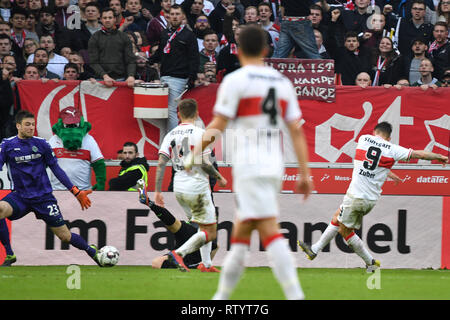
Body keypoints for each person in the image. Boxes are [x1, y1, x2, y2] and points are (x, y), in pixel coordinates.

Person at [184, 25, 313, 300]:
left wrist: (195, 153)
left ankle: (295, 294)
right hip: (273, 164)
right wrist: (304, 173)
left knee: (268, 228)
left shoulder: (236, 81)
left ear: (238, 50)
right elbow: (296, 131)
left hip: (250, 165)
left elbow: (218, 124)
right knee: (242, 230)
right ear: (267, 50)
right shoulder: (281, 83)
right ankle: (220, 297)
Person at [298, 121, 448, 271]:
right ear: (389, 138)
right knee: (337, 217)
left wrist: (388, 172)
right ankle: (315, 250)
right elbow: (418, 154)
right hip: (370, 200)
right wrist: (440, 156)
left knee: (345, 231)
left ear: (374, 131)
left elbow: (369, 160)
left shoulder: (363, 139)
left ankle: (370, 263)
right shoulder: (393, 149)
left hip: (355, 196)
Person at [0, 110, 103, 267]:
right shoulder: (7, 145)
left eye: (33, 124)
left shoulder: (42, 144)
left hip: (43, 198)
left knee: (65, 236)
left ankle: (92, 251)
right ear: (18, 126)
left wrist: (75, 191)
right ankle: (10, 254)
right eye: (27, 125)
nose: (31, 128)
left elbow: (56, 169)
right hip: (20, 196)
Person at [154, 98, 227, 272]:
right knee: (209, 230)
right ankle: (178, 254)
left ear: (178, 114)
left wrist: (157, 191)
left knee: (203, 228)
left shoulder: (170, 135)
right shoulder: (201, 133)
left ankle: (206, 264)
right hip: (198, 187)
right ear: (197, 113)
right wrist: (219, 177)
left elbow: (161, 163)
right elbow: (204, 163)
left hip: (179, 187)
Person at [136, 179, 219, 270]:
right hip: (199, 239)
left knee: (175, 225)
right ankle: (200, 265)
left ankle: (150, 203)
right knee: (157, 262)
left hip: (196, 238)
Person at [148, 4, 200, 133]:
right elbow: (161, 52)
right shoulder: (165, 33)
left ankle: (172, 140)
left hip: (179, 78)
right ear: (168, 17)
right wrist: (151, 60)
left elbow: (194, 58)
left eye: (177, 14)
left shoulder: (189, 35)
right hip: (164, 76)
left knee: (171, 110)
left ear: (183, 16)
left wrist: (192, 78)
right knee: (162, 109)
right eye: (172, 14)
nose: (175, 17)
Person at [48, 106, 106, 191]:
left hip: (82, 190)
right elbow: (43, 163)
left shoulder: (89, 140)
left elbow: (99, 164)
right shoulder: (53, 140)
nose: (71, 128)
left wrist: (101, 184)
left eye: (75, 125)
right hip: (58, 190)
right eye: (67, 125)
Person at [88, 7, 136, 88]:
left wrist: (131, 75)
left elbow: (130, 60)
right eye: (105, 18)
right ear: (101, 20)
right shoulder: (95, 37)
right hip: (101, 80)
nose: (107, 20)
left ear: (115, 19)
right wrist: (104, 76)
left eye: (110, 17)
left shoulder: (124, 37)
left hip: (121, 79)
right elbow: (93, 62)